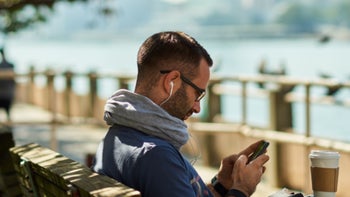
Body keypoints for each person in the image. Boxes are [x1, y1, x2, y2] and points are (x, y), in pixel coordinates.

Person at [92, 31, 269, 197]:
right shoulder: (156, 156)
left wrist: (221, 184)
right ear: (171, 81)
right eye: (198, 94)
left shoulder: (114, 139)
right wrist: (242, 189)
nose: (197, 107)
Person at [0, 47, 15, 122]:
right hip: (7, 94)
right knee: (8, 115)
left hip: (5, 94)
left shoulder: (9, 65)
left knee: (8, 115)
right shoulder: (10, 65)